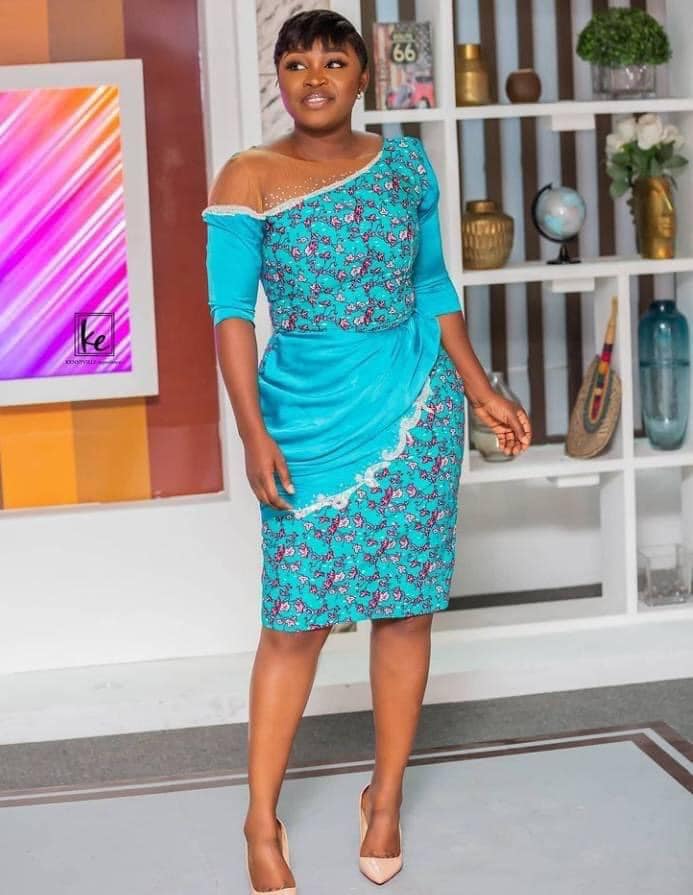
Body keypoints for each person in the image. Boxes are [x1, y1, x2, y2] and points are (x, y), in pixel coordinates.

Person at [202, 10, 532, 894]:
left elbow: (431, 284)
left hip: (415, 406)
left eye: (333, 61)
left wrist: (481, 390)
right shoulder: (247, 176)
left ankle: (383, 797)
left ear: (362, 77)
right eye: (296, 63)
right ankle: (260, 818)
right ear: (278, 77)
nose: (314, 77)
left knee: (407, 610)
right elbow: (231, 316)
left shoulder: (406, 166)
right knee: (294, 624)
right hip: (303, 420)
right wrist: (251, 431)